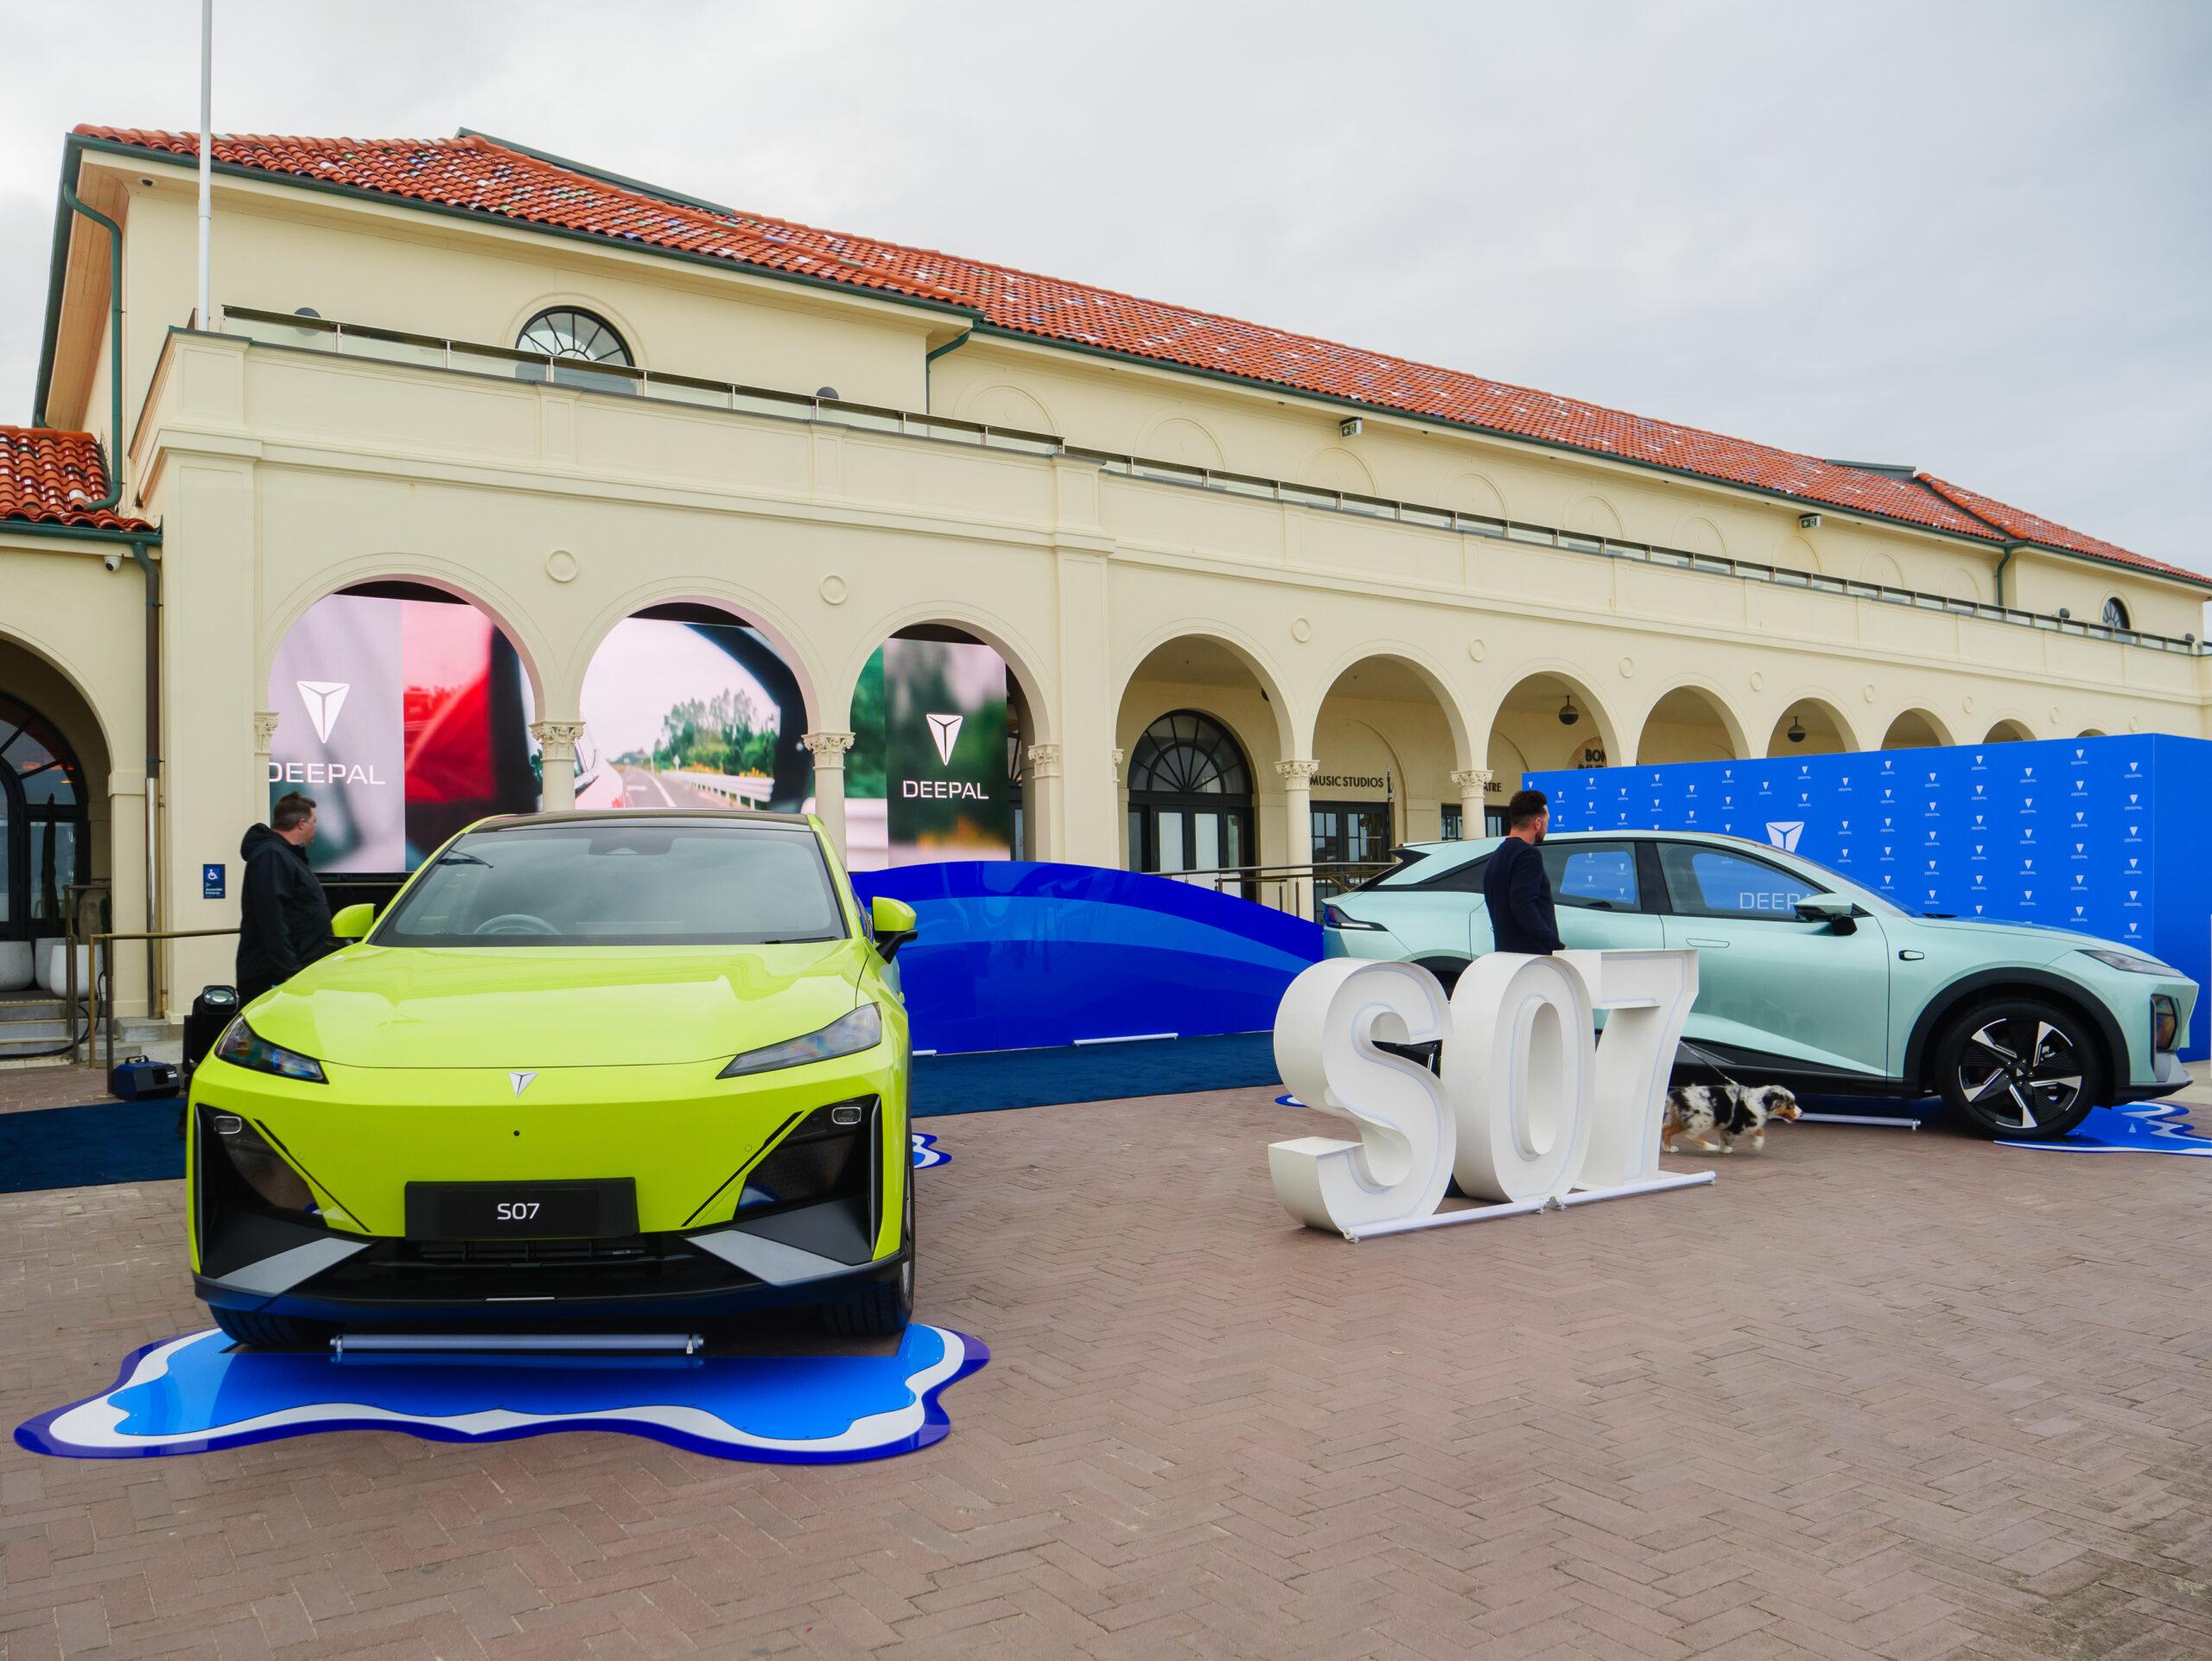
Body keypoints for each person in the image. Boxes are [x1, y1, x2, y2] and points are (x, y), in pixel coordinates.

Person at [236, 792, 335, 1006]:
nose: (315, 828)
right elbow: (271, 916)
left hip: (296, 973)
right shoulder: (271, 855)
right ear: (301, 824)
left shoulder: (284, 856)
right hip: (276, 978)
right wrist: (288, 971)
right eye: (314, 822)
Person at [1483, 787, 1564, 955]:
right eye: (1547, 820)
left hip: (1506, 955)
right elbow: (1523, 905)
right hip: (1530, 959)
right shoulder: (1528, 854)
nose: (1547, 826)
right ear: (1537, 823)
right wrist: (1556, 945)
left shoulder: (1496, 856)